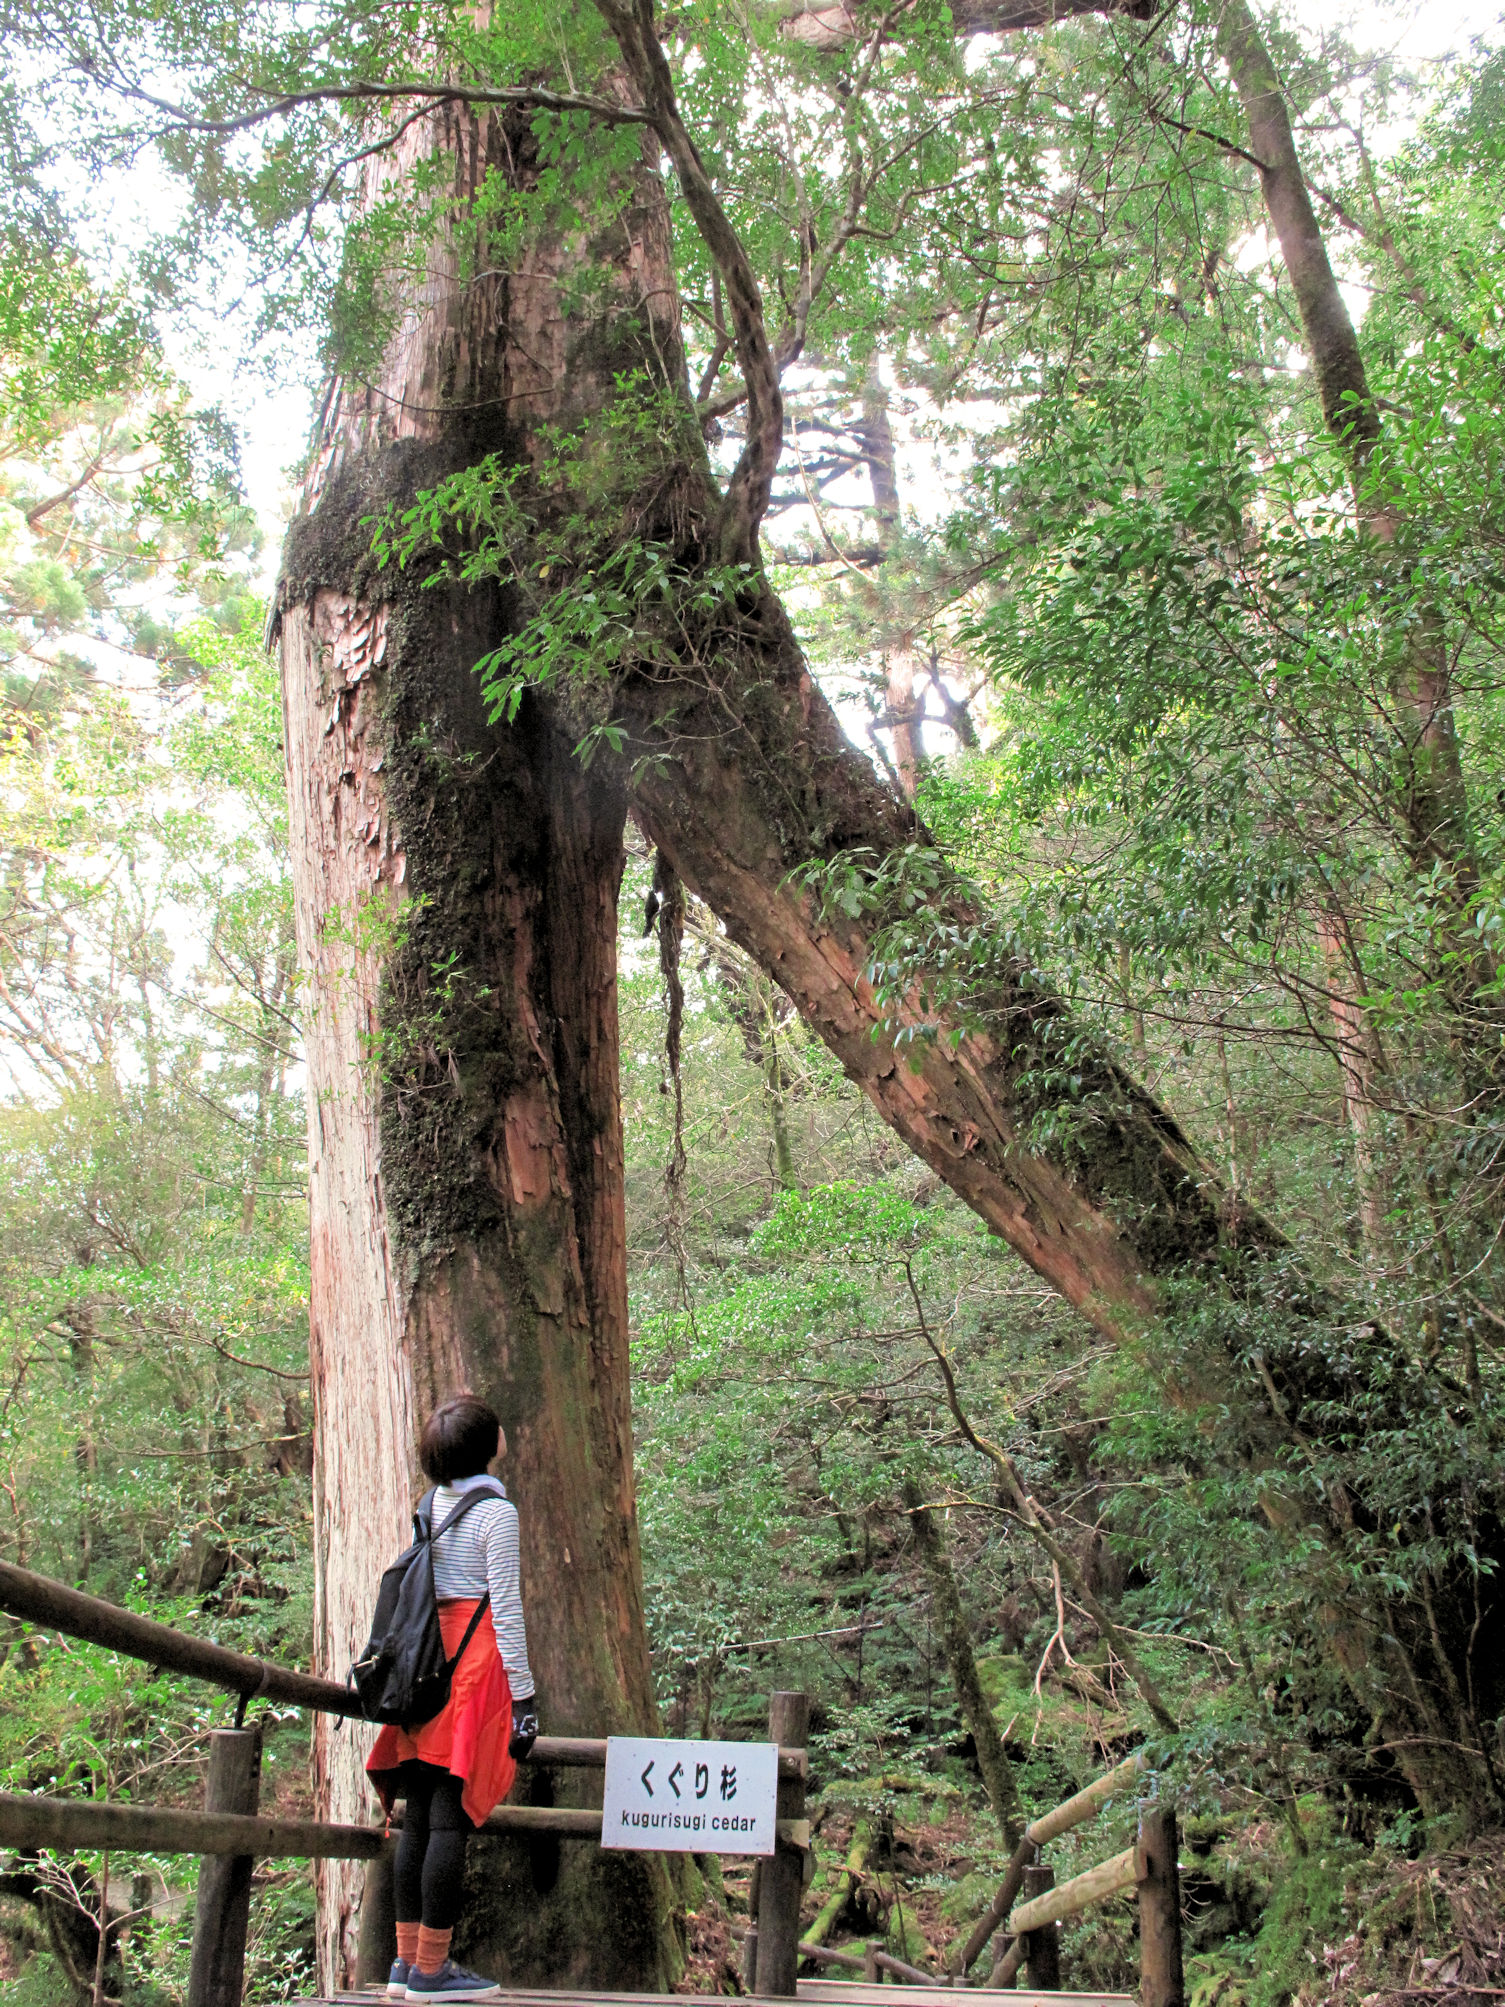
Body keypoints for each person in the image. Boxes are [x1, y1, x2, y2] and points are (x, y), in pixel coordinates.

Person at [366, 1394, 538, 2003]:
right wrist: (524, 1695)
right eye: (497, 1427)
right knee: (447, 1820)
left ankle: (404, 1963)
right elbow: (506, 1606)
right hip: (471, 1667)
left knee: (416, 1819)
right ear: (487, 1444)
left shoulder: (430, 1502)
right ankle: (433, 1971)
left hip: (423, 1662)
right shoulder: (497, 1512)